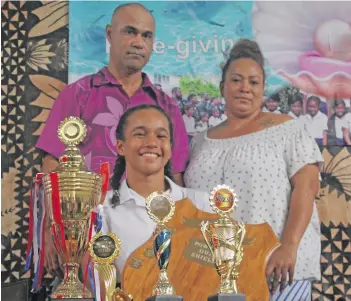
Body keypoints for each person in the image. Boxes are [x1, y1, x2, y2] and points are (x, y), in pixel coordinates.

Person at [41, 2, 189, 278]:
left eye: (146, 35)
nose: (138, 42)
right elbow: (52, 166)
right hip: (86, 237)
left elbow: (176, 177)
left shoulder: (166, 107)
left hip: (149, 238)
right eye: (130, 32)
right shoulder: (78, 95)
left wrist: (177, 237)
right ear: (110, 35)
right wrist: (51, 233)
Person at [184, 39, 323, 300]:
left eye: (254, 82)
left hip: (276, 268)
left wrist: (289, 246)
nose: (245, 88)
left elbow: (307, 187)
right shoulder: (200, 141)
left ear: (262, 89)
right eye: (236, 80)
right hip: (214, 273)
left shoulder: (287, 129)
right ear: (222, 87)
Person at [82, 104, 211, 299]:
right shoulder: (102, 209)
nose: (152, 142)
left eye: (161, 136)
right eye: (140, 134)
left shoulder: (201, 204)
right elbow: (99, 285)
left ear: (169, 148)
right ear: (120, 146)